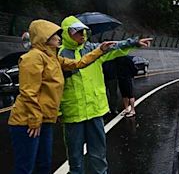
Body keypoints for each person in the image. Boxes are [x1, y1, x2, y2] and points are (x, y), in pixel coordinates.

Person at [7, 19, 114, 174]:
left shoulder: (53, 58)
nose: (59, 37)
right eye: (55, 35)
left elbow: (79, 63)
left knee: (44, 165)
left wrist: (100, 50)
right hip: (27, 122)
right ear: (44, 37)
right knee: (25, 167)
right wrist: (35, 120)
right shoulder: (33, 58)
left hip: (44, 120)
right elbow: (29, 92)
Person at [58, 16, 152, 174]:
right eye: (77, 32)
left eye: (84, 31)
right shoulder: (59, 55)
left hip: (95, 111)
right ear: (67, 33)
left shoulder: (93, 49)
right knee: (75, 158)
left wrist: (134, 42)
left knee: (98, 155)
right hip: (73, 114)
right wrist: (58, 111)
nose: (82, 35)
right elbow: (55, 86)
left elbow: (113, 47)